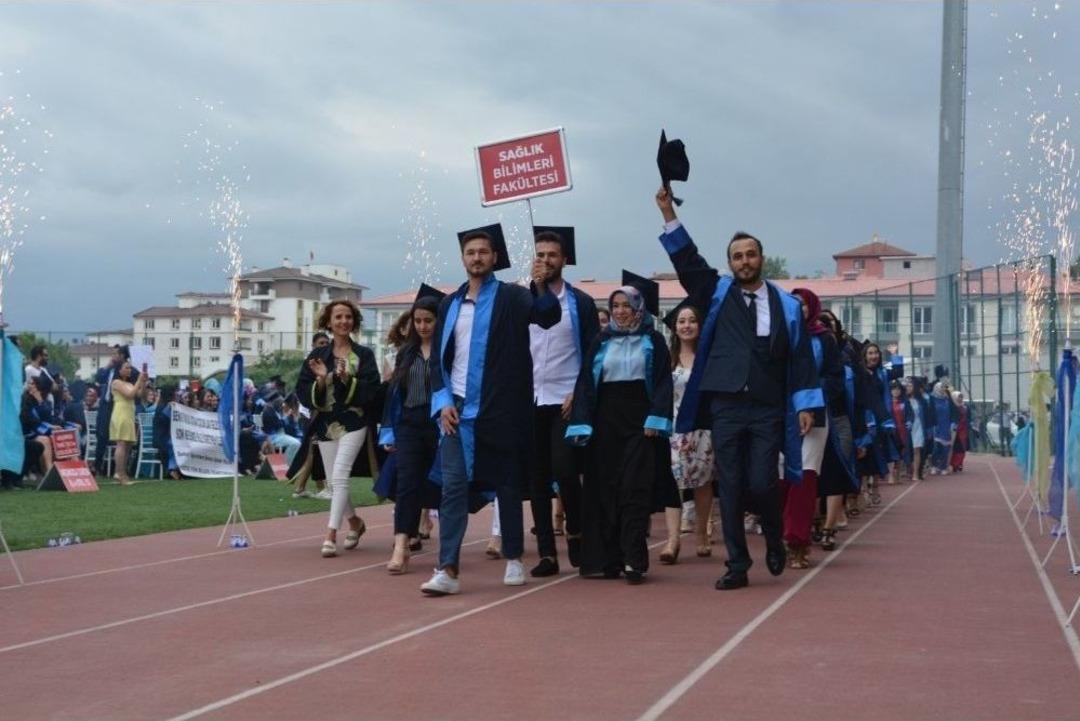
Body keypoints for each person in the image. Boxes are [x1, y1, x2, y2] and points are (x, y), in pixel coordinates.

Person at [654, 187, 822, 590]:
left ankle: (774, 537)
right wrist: (667, 212)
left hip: (767, 406)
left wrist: (805, 405)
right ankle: (737, 564)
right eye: (737, 256)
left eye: (751, 254)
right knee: (729, 485)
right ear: (730, 263)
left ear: (761, 258)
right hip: (726, 405)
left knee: (763, 481)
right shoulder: (717, 292)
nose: (744, 261)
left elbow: (800, 357)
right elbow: (688, 262)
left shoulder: (785, 305)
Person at [420, 223, 561, 596]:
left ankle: (514, 556)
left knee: (507, 485)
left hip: (502, 409)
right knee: (452, 488)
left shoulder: (513, 297)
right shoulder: (449, 304)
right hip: (457, 410)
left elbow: (548, 317)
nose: (477, 257)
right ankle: (448, 569)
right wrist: (442, 401)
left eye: (483, 252)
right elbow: (437, 362)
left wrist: (541, 284)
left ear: (495, 257)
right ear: (463, 259)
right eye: (470, 252)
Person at [566, 279, 675, 583]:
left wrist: (656, 419)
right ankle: (609, 559)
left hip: (641, 423)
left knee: (634, 488)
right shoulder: (601, 340)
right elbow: (586, 383)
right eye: (616, 306)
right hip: (606, 424)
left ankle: (634, 560)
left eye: (627, 305)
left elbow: (663, 381)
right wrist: (582, 423)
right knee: (606, 490)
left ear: (638, 308)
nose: (621, 311)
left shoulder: (654, 340)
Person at [527, 226, 599, 577]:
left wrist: (579, 391)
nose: (545, 260)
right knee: (536, 478)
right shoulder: (521, 298)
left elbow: (593, 353)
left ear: (564, 260)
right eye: (540, 255)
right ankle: (546, 553)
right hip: (530, 398)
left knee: (566, 471)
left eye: (552, 255)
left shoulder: (580, 303)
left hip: (565, 399)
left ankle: (576, 533)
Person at [296, 299, 381, 557]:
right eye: (338, 317)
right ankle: (355, 522)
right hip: (326, 423)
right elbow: (302, 390)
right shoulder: (317, 356)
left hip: (354, 422)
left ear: (354, 321)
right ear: (329, 322)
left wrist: (347, 379)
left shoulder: (364, 355)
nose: (344, 321)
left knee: (341, 475)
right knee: (334, 482)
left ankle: (330, 535)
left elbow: (372, 389)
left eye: (348, 317)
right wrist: (322, 381)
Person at [380, 285, 444, 574]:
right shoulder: (406, 353)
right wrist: (389, 432)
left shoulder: (447, 351)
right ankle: (400, 545)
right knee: (406, 483)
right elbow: (394, 395)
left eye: (428, 320)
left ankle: (446, 546)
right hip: (409, 423)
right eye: (417, 321)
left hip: (439, 423)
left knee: (439, 484)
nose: (422, 326)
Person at [781, 288, 842, 570]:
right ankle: (781, 534)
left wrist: (810, 393)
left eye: (804, 304)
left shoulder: (825, 339)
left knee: (804, 478)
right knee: (778, 479)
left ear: (812, 308)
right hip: (778, 414)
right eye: (793, 303)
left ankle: (798, 542)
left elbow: (835, 378)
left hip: (814, 415)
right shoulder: (777, 335)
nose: (799, 308)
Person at [662, 301, 717, 563]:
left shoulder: (709, 359)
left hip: (703, 427)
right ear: (675, 327)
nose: (687, 326)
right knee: (673, 481)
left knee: (703, 482)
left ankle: (702, 533)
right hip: (674, 428)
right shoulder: (667, 359)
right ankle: (673, 540)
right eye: (682, 321)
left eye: (692, 321)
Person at [110, 360, 147, 485]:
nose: (129, 370)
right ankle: (119, 473)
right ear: (119, 370)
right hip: (121, 412)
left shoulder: (130, 383)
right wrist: (138, 381)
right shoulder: (116, 382)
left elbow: (140, 395)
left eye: (130, 368)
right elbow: (129, 395)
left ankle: (122, 472)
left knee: (128, 444)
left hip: (129, 413)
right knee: (121, 443)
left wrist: (143, 382)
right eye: (126, 367)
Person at [94, 345, 127, 474]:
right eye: (112, 354)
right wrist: (108, 365)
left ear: (122, 356)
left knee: (117, 437)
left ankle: (116, 468)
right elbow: (98, 378)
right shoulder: (110, 369)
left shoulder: (124, 370)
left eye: (115, 354)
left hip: (116, 406)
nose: (113, 356)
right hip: (105, 405)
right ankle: (97, 465)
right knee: (101, 435)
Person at [262, 396, 302, 464]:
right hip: (273, 436)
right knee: (295, 443)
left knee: (299, 442)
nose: (282, 405)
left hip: (280, 434)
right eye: (281, 403)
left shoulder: (276, 411)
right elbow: (278, 425)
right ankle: (286, 464)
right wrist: (286, 416)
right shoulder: (268, 411)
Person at [951, 391, 969, 472]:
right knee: (953, 448)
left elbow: (967, 418)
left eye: (961, 397)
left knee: (961, 449)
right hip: (953, 430)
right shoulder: (952, 407)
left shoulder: (965, 407)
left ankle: (958, 464)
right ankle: (952, 464)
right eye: (959, 397)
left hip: (962, 431)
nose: (960, 398)